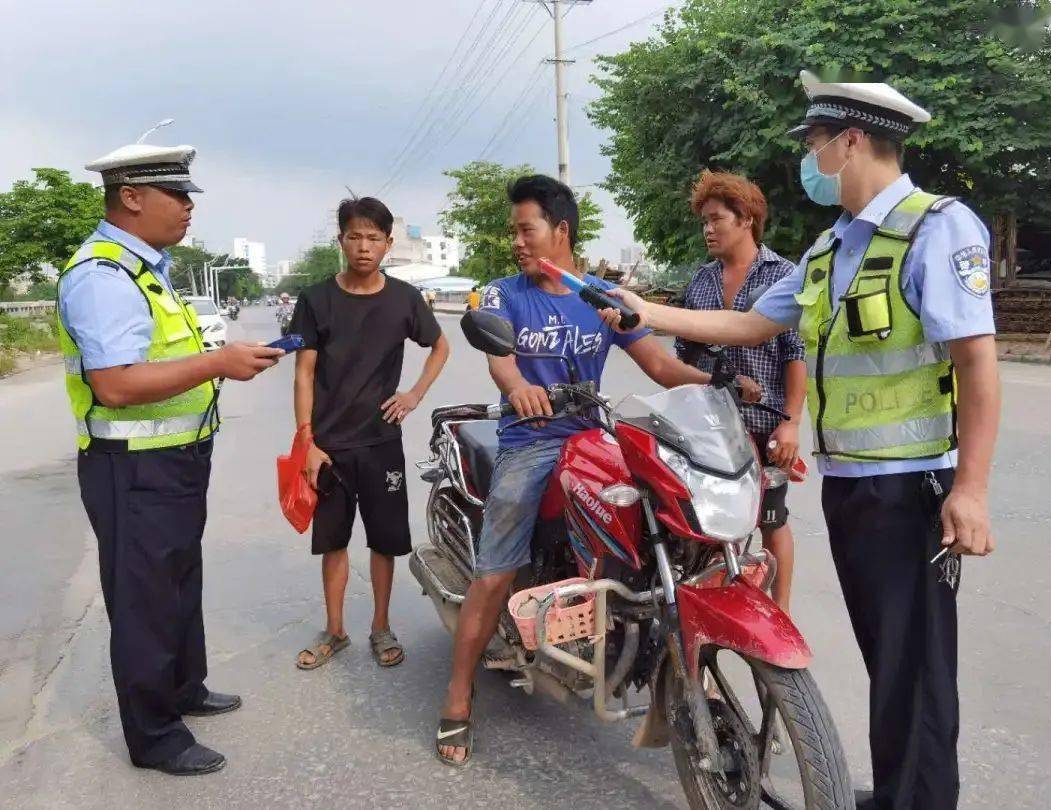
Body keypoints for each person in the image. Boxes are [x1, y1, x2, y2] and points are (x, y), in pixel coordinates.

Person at [602, 71, 1000, 810]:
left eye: (815, 145)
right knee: (888, 658)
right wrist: (643, 310)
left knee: (917, 668)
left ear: (851, 142)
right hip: (853, 485)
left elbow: (977, 361)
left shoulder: (935, 226)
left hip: (914, 486)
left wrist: (970, 490)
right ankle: (897, 793)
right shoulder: (831, 248)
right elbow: (752, 323)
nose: (808, 161)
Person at [436, 174, 717, 767]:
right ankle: (458, 698)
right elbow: (502, 363)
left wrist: (721, 389)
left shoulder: (602, 299)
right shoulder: (499, 295)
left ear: (560, 231)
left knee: (665, 514)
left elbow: (661, 368)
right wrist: (520, 391)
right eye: (514, 229)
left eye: (525, 228)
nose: (516, 239)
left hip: (593, 437)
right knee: (495, 569)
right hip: (530, 439)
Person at [58, 141, 284, 775]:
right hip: (132, 468)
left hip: (172, 460)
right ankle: (155, 735)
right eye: (177, 196)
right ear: (131, 197)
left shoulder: (145, 268)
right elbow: (117, 384)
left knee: (179, 582)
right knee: (145, 601)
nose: (188, 209)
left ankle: (184, 688)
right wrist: (218, 362)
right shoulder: (103, 276)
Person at [290, 196, 449, 671]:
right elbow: (303, 374)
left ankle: (381, 626)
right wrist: (307, 442)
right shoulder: (316, 300)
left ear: (388, 243)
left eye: (373, 238)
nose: (364, 246)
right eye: (354, 236)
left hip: (382, 444)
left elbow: (440, 346)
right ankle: (335, 630)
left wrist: (414, 394)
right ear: (341, 241)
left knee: (384, 542)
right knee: (333, 542)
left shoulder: (404, 299)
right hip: (330, 447)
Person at [675, 170, 807, 613]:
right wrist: (719, 374)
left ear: (746, 218)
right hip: (712, 431)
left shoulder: (783, 276)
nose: (708, 229)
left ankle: (781, 613)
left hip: (766, 427)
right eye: (703, 222)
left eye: (717, 219)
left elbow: (796, 354)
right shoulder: (701, 281)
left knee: (773, 520)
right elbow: (684, 355)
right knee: (716, 528)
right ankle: (715, 618)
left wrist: (790, 423)